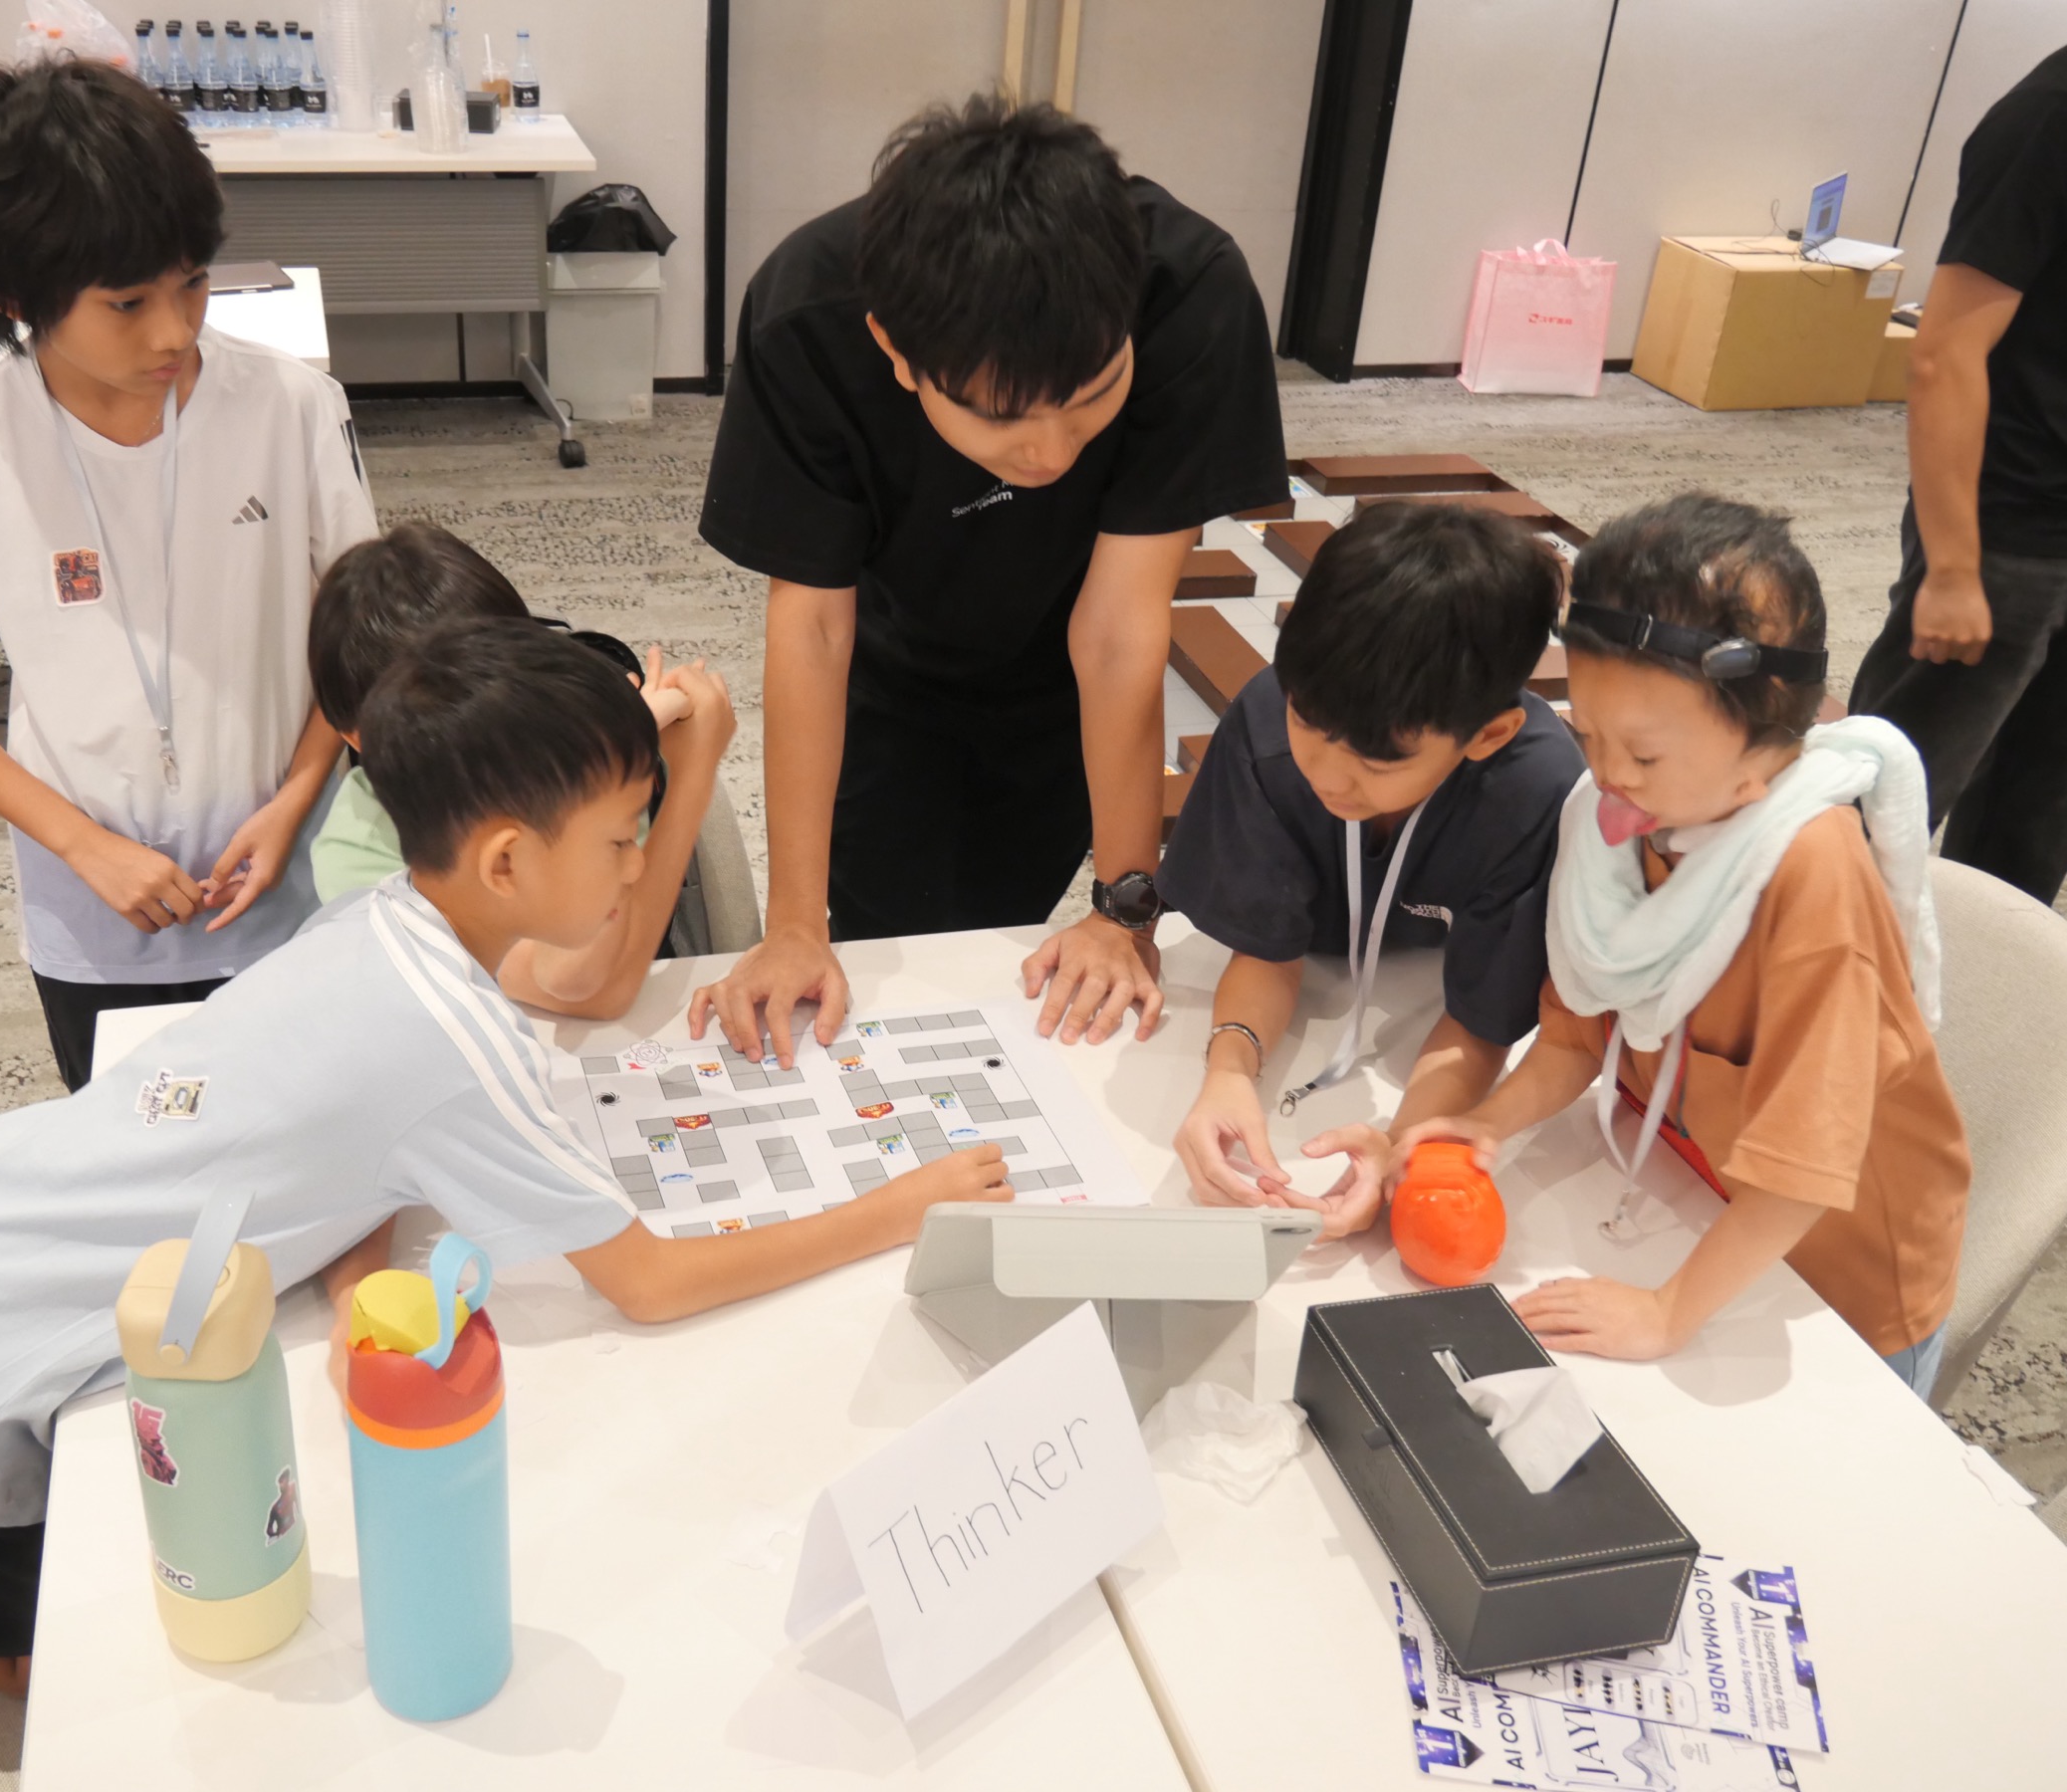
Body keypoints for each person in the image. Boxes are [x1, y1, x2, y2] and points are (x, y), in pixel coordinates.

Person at [0, 622, 1012, 1690]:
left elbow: (366, 1143)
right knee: (48, 1675)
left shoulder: (385, 914)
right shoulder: (457, 1041)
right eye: (624, 836)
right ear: (507, 856)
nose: (636, 870)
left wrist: (645, 735)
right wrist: (900, 1204)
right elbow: (649, 1282)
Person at [691, 95, 1286, 1067]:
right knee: (889, 935)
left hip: (1064, 669)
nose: (1051, 451)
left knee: (1005, 918)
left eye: (1091, 398)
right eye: (1003, 420)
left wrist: (1126, 909)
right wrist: (794, 923)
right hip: (894, 660)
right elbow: (812, 631)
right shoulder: (808, 320)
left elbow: (1119, 630)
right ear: (895, 350)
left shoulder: (1192, 291)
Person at [0, 59, 377, 1091]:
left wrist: (296, 798)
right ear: (16, 294)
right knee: (142, 1170)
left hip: (298, 878)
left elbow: (362, 639)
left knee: (311, 1149)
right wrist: (83, 847)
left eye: (191, 282)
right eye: (127, 301)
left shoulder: (294, 408)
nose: (174, 331)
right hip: (93, 914)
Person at [1400, 496, 1968, 1400]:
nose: (1608, 775)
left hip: (1827, 1280)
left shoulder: (1809, 876)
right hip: (1678, 1198)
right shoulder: (1627, 821)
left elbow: (1802, 1173)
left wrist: (1667, 1312)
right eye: (1587, 734)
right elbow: (1576, 1033)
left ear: (1768, 748)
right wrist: (1486, 1126)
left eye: (1645, 754)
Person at [1163, 505, 1581, 1231]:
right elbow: (1265, 950)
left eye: (1379, 760)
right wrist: (1227, 1072)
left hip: (1429, 988)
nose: (1328, 774)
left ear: (1488, 734)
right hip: (1314, 972)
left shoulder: (1534, 791)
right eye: (1308, 723)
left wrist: (1395, 1146)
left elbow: (1482, 1023)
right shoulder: (1266, 723)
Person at [1849, 29, 2067, 904]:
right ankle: (1795, 990)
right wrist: (1952, 569)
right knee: (1889, 794)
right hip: (2007, 527)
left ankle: (1979, 988)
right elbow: (1945, 352)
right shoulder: (2057, 115)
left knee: (2047, 802)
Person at [306, 521, 733, 1016]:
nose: (505, 728)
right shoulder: (358, 850)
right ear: (360, 737)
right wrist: (677, 766)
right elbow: (589, 987)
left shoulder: (567, 745)